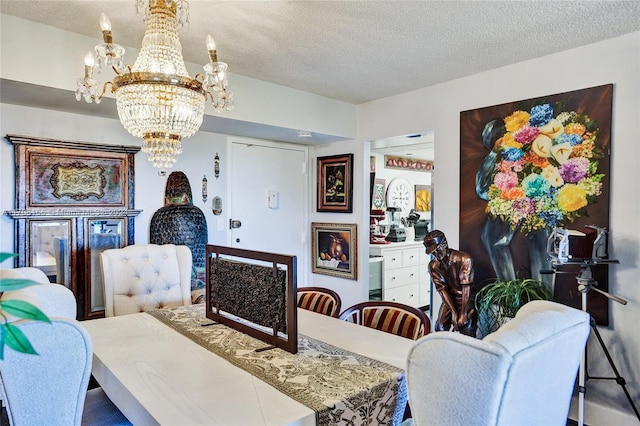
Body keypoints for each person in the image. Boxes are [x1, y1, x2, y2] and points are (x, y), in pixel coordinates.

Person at [424, 230, 477, 337]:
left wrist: (463, 313)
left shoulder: (464, 259)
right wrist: (453, 312)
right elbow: (442, 290)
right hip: (449, 299)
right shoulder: (433, 266)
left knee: (466, 326)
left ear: (444, 244)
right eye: (432, 252)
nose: (435, 254)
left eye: (437, 250)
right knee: (440, 327)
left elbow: (466, 288)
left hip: (465, 298)